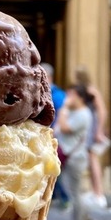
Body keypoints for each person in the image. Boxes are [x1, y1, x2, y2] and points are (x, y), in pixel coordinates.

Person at [56, 85, 93, 220]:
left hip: (75, 158)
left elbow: (64, 128)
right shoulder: (75, 111)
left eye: (71, 94)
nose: (68, 97)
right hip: (70, 155)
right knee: (73, 189)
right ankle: (83, 217)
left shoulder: (83, 114)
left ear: (80, 98)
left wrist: (63, 108)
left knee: (74, 192)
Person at [73, 65, 109, 209]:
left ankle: (99, 194)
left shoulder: (91, 90)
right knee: (89, 159)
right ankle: (95, 192)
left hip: (91, 127)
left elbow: (102, 111)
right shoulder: (83, 90)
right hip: (87, 126)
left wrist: (99, 131)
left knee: (93, 158)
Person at [41, 62, 70, 209]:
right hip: (41, 141)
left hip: (54, 139)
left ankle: (64, 198)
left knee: (56, 171)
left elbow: (63, 117)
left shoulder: (58, 95)